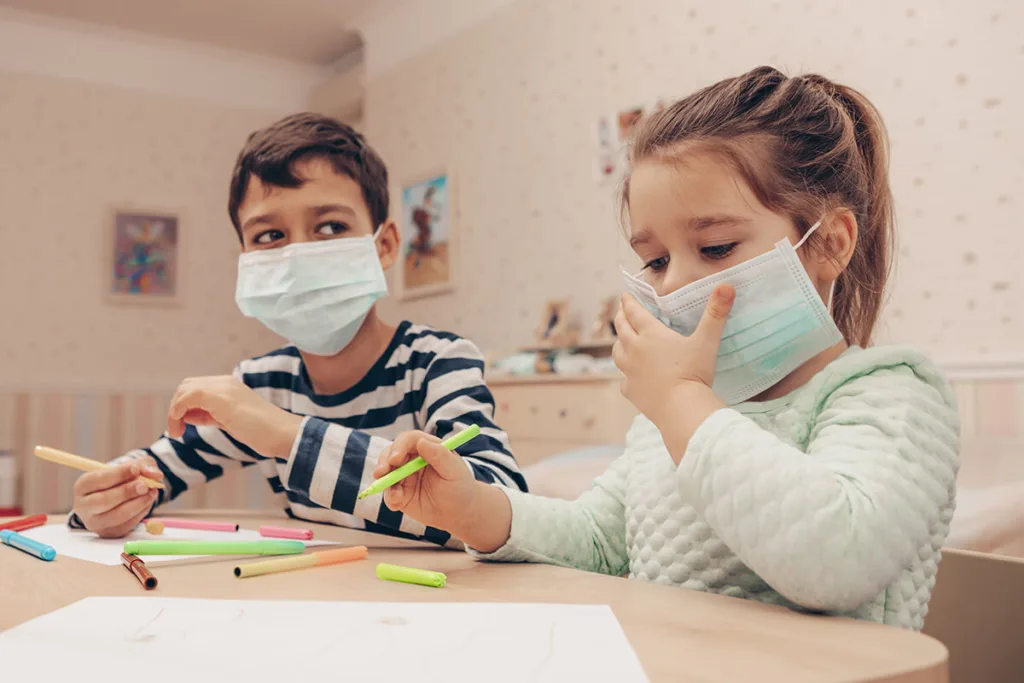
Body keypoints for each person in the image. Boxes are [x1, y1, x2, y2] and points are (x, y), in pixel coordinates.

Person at [374, 67, 959, 630]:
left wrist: (680, 399)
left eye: (716, 246)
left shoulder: (891, 391)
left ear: (829, 243)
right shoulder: (673, 417)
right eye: (654, 260)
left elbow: (838, 562)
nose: (672, 284)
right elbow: (602, 539)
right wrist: (472, 508)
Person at [70, 113, 526, 544]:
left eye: (330, 226)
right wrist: (103, 502)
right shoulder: (263, 384)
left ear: (384, 246)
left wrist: (284, 433)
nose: (298, 257)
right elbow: (152, 472)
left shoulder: (437, 364)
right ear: (246, 262)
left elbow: (506, 506)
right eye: (269, 236)